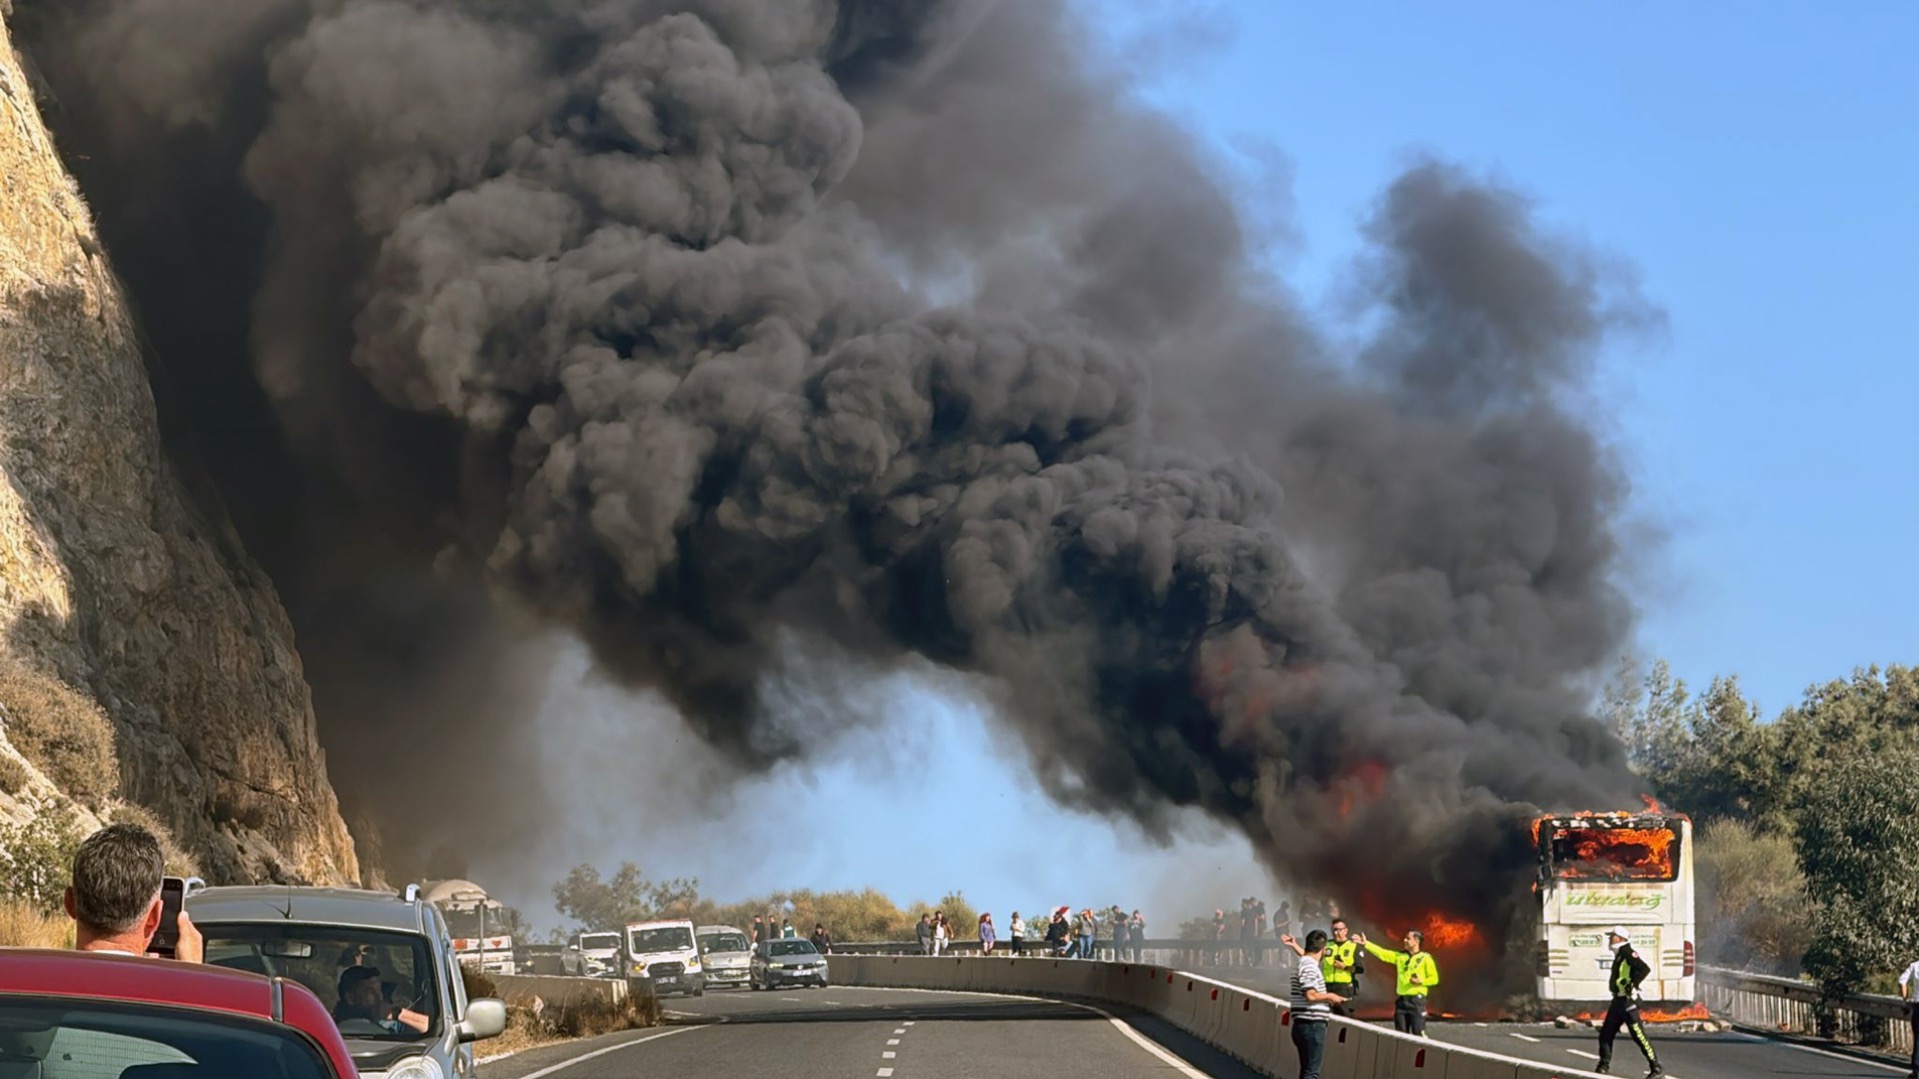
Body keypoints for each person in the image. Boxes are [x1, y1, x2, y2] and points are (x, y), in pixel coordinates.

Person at [64, 822, 202, 963]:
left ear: (69, 904)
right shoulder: (169, 985)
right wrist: (193, 974)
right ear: (153, 918)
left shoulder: (43, 975)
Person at [1596, 927, 1664, 1077]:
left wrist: (1632, 984)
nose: (1609, 939)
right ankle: (1603, 1065)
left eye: (1612, 936)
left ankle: (1656, 1066)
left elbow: (1644, 969)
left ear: (1619, 938)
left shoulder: (1627, 952)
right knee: (1606, 1034)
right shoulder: (1619, 954)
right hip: (1617, 1001)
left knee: (1639, 1035)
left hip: (1627, 1002)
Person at [1282, 930, 1347, 1079]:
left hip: (1304, 1025)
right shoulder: (1309, 967)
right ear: (1323, 949)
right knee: (1312, 1073)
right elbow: (1310, 995)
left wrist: (1294, 946)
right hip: (1311, 1025)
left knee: (1307, 1071)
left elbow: (1306, 959)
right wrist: (1330, 996)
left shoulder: (1304, 963)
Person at [1356, 930, 1438, 1037]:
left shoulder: (1425, 958)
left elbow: (1434, 979)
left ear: (1416, 941)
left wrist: (1421, 981)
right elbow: (1383, 954)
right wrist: (1367, 944)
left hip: (1417, 1002)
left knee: (1418, 1033)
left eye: (1408, 938)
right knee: (1400, 1035)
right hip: (1402, 1001)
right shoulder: (1400, 956)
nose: (1404, 940)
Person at [333, 966, 428, 1035]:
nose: (379, 997)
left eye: (379, 990)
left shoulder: (389, 1024)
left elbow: (431, 1027)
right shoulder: (343, 1030)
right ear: (351, 998)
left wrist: (396, 1013)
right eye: (370, 991)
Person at [1321, 919, 1362, 1017]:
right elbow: (1310, 955)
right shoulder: (1326, 945)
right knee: (1325, 1019)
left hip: (1344, 989)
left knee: (1345, 1020)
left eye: (1339, 930)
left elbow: (1360, 969)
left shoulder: (1353, 946)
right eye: (1334, 930)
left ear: (1346, 930)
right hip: (1326, 988)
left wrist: (1345, 967)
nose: (1336, 933)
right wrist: (1294, 945)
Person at [1897, 951, 1919, 1079]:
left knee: (1918, 1038)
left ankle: (1916, 1070)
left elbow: (1902, 981)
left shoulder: (1915, 966)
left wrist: (1905, 1000)